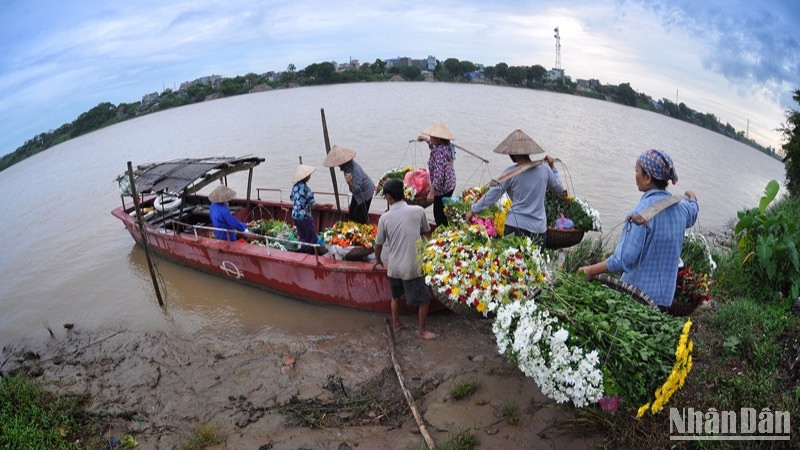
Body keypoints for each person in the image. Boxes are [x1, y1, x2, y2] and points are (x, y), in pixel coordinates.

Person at [578, 149, 699, 308]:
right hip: (663, 301)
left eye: (637, 171)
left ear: (647, 178)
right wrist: (691, 196)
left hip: (636, 299)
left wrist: (590, 270)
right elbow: (693, 211)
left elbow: (622, 261)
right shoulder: (681, 209)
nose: (635, 175)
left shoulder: (641, 216)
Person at [466, 129, 563, 246]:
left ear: (513, 154)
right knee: (535, 263)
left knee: (512, 261)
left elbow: (494, 194)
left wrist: (473, 209)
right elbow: (558, 189)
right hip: (538, 228)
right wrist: (553, 167)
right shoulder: (544, 168)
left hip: (515, 226)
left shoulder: (510, 173)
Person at [373, 178, 437, 340]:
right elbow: (425, 233)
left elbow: (378, 245)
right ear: (403, 193)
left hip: (393, 267)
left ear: (389, 197)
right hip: (412, 266)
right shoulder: (417, 211)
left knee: (395, 298)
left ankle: (397, 324)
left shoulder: (384, 218)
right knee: (425, 300)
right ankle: (422, 331)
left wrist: (378, 260)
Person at [417, 122, 457, 226]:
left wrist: (432, 192)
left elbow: (439, 175)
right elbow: (434, 147)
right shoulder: (447, 147)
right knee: (445, 210)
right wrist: (426, 140)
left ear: (438, 139)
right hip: (450, 184)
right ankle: (447, 229)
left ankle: (443, 233)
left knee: (439, 215)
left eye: (431, 137)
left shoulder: (439, 153)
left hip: (442, 187)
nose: (430, 138)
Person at [323, 144, 375, 224]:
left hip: (365, 192)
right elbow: (354, 190)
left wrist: (349, 182)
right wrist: (350, 183)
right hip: (356, 192)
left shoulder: (355, 169)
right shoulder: (346, 168)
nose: (338, 165)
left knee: (359, 218)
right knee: (351, 212)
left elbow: (357, 189)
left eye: (339, 163)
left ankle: (361, 230)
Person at [290, 163, 323, 253]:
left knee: (303, 236)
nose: (310, 177)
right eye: (309, 175)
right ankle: (310, 253)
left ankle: (303, 250)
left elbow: (292, 198)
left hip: (295, 215)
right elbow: (314, 204)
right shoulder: (306, 189)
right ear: (305, 177)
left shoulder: (294, 187)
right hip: (304, 216)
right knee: (312, 237)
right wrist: (326, 205)